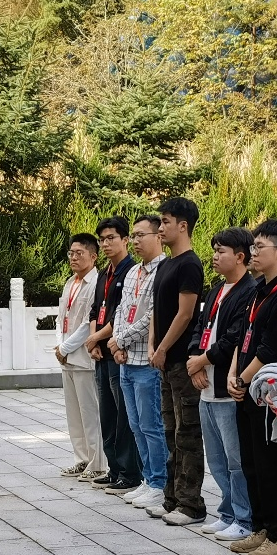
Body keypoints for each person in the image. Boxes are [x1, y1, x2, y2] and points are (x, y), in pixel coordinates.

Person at [228, 219, 277, 555]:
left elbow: (270, 349)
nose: (253, 252)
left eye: (260, 247)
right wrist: (234, 375)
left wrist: (243, 380)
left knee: (272, 467)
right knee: (251, 464)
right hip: (245, 387)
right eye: (253, 246)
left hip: (265, 393)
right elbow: (243, 338)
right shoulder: (258, 290)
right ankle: (259, 527)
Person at [187, 227, 257, 541]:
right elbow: (199, 328)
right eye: (214, 250)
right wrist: (194, 360)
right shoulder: (216, 290)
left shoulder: (249, 291)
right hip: (206, 387)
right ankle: (227, 513)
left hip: (227, 390)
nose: (214, 257)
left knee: (235, 460)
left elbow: (234, 338)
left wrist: (203, 360)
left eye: (221, 252)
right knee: (216, 459)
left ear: (240, 256)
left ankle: (244, 518)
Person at [149, 197, 207, 526]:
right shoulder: (166, 265)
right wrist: (154, 345)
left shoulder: (190, 265)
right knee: (170, 431)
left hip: (182, 362)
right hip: (165, 361)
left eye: (166, 222)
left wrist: (163, 348)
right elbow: (157, 311)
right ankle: (171, 498)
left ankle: (191, 503)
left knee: (187, 433)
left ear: (183, 226)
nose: (161, 228)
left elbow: (185, 314)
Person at [110, 217, 169, 510]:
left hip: (147, 362)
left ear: (159, 236)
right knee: (135, 425)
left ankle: (160, 482)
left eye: (140, 235)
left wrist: (121, 340)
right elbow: (122, 309)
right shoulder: (133, 271)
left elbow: (152, 317)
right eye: (133, 235)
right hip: (126, 361)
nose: (135, 241)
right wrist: (118, 344)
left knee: (151, 425)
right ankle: (148, 478)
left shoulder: (164, 270)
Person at [85, 217, 142, 494]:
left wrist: (97, 338)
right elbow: (96, 310)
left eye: (111, 238)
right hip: (102, 353)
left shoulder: (131, 272)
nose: (106, 244)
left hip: (120, 352)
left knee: (124, 417)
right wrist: (94, 342)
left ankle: (130, 472)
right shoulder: (103, 274)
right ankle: (114, 469)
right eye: (102, 240)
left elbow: (122, 316)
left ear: (125, 240)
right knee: (106, 414)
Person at [56, 233, 106, 480]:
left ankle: (97, 463)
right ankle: (81, 459)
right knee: (74, 415)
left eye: (79, 253)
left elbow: (89, 323)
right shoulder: (70, 282)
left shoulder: (96, 283)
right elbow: (61, 318)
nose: (73, 257)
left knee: (90, 413)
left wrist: (65, 348)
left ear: (93, 256)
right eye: (71, 253)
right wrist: (60, 346)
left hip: (84, 357)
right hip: (66, 357)